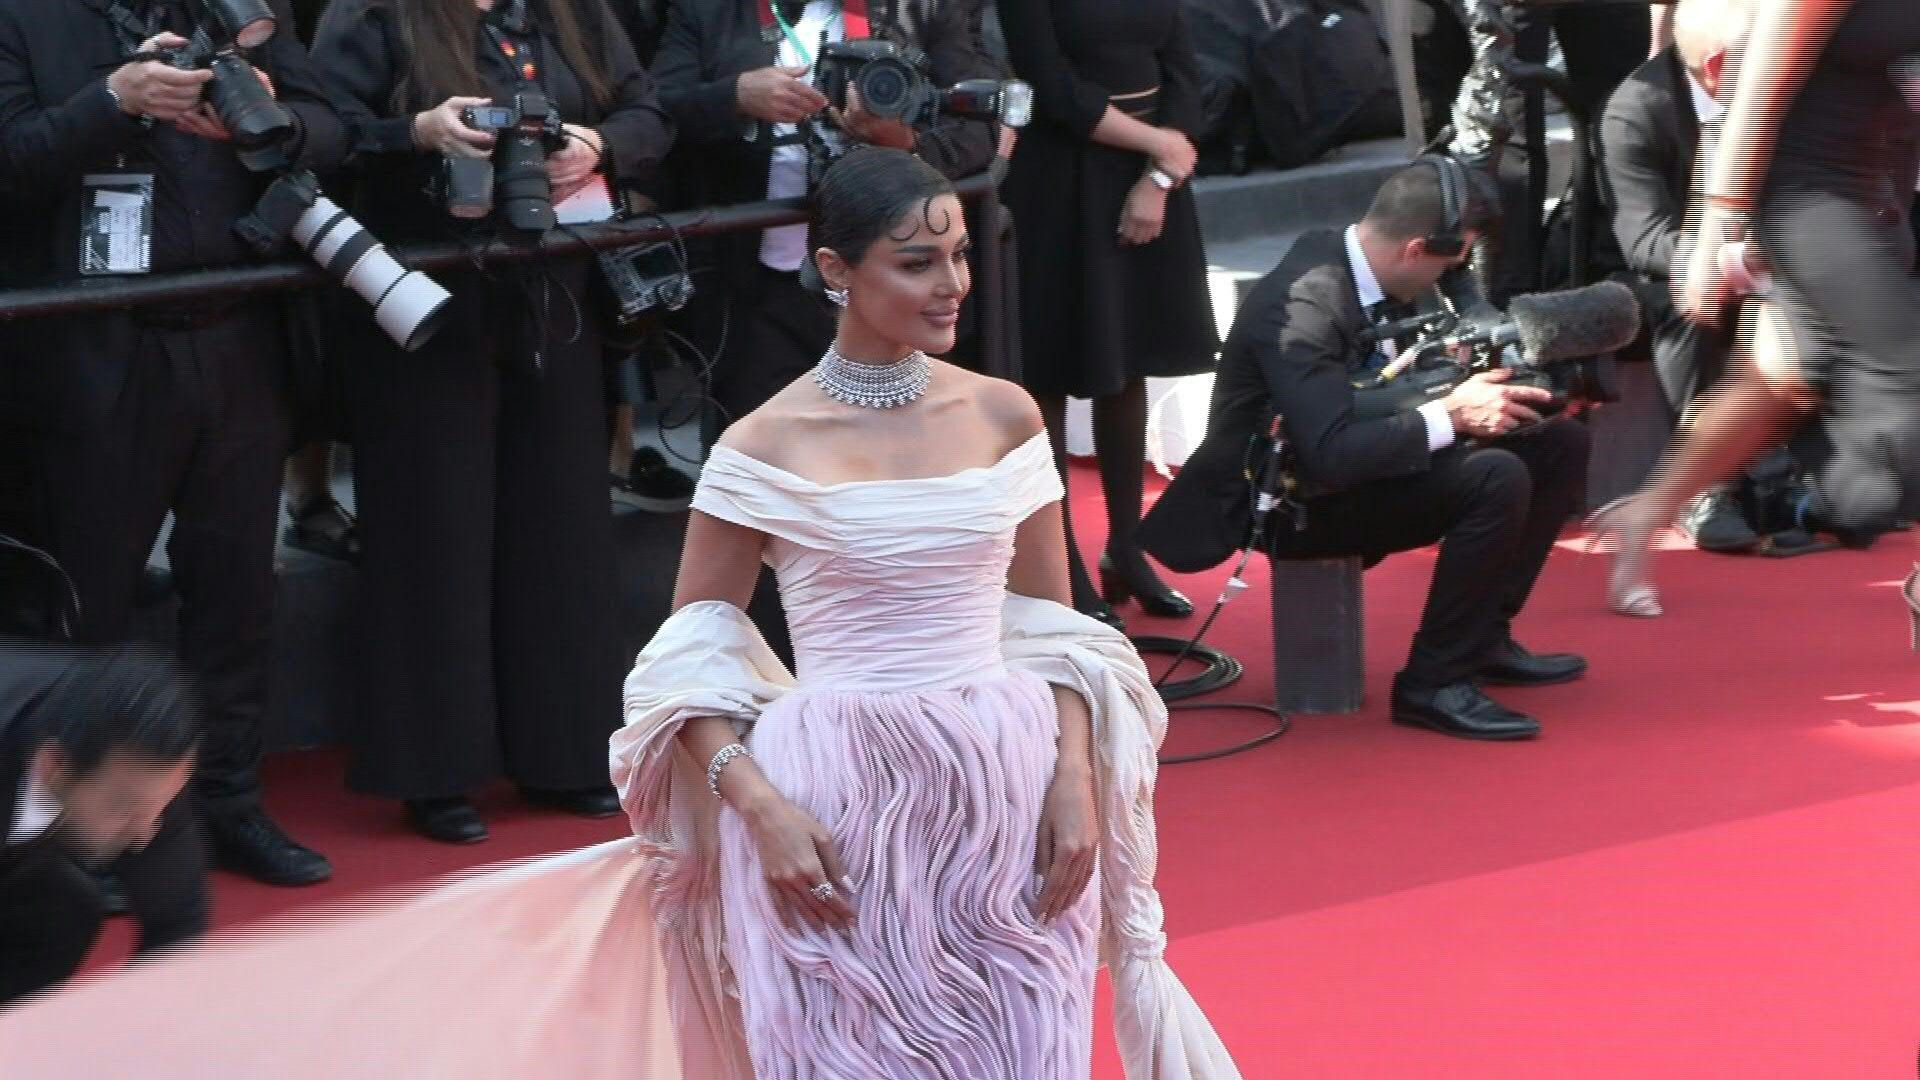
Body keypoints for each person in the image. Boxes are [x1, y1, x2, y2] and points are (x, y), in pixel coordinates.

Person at [0, 147, 1239, 1080]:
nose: (951, 282)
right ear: (835, 273)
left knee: (1023, 1049)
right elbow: (687, 661)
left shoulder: (1007, 413)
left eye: (959, 252)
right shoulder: (763, 447)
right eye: (917, 261)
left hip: (1004, 797)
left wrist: (1073, 775)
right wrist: (757, 806)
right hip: (835, 807)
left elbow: (1054, 628)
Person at [309, 0, 674, 844]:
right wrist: (419, 133)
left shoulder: (570, 13)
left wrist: (597, 144)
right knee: (434, 534)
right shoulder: (374, 15)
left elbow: (648, 110)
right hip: (424, 298)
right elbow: (320, 133)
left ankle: (567, 751)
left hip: (555, 292)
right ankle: (435, 770)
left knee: (562, 526)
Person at [0, 0, 345, 887]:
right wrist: (112, 100)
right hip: (94, 348)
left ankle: (228, 801)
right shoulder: (27, 17)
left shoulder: (239, 8)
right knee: (89, 603)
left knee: (238, 597)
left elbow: (336, 125)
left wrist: (270, 112)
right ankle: (75, 833)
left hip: (238, 336)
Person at [1139, 161, 1591, 741]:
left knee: (1556, 441)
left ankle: (1482, 640)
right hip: (1293, 500)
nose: (1455, 277)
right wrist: (1453, 415)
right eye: (1451, 263)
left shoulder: (1378, 265)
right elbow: (1331, 453)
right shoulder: (1304, 306)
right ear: (1416, 248)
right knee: (1494, 475)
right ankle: (1433, 683)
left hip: (1365, 460)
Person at [1593, 0, 1920, 632]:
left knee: (1784, 379)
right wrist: (1718, 229)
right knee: (1905, 374)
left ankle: (1641, 514)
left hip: (1863, 186)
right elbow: (1756, 94)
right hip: (1802, 193)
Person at [997, 0, 1218, 630]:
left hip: (1149, 179)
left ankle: (1127, 547)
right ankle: (1060, 563)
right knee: (1048, 373)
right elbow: (1051, 86)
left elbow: (1187, 74)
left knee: (1128, 363)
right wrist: (1159, 145)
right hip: (1058, 179)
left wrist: (1160, 177)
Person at [1603, 0, 1769, 555]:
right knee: (1691, 302)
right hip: (1667, 268)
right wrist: (1737, 256)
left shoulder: (1797, 89)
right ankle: (1707, 484)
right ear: (1719, 65)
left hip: (1781, 247)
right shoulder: (1639, 108)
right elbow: (1645, 239)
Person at [0, 645, 203, 1007]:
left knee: (65, 905)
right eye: (127, 810)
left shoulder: (146, 771)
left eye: (160, 806)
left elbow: (177, 926)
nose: (144, 833)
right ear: (53, 765)